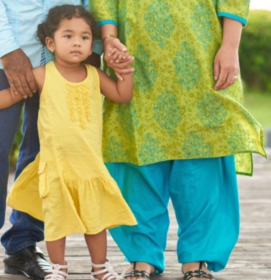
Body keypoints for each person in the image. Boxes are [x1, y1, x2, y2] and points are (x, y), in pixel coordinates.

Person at [90, 1, 266, 280]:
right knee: (138, 157)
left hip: (201, 53)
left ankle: (198, 258)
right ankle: (142, 255)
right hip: (136, 58)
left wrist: (230, 46)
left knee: (201, 159)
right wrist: (109, 37)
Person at [0, 5, 137, 280]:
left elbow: (122, 95)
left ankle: (100, 268)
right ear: (51, 43)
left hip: (89, 168)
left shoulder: (95, 75)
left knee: (95, 222)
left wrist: (126, 74)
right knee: (56, 223)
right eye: (69, 36)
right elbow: (12, 95)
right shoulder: (43, 74)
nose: (77, 43)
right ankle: (58, 268)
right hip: (56, 168)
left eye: (85, 38)